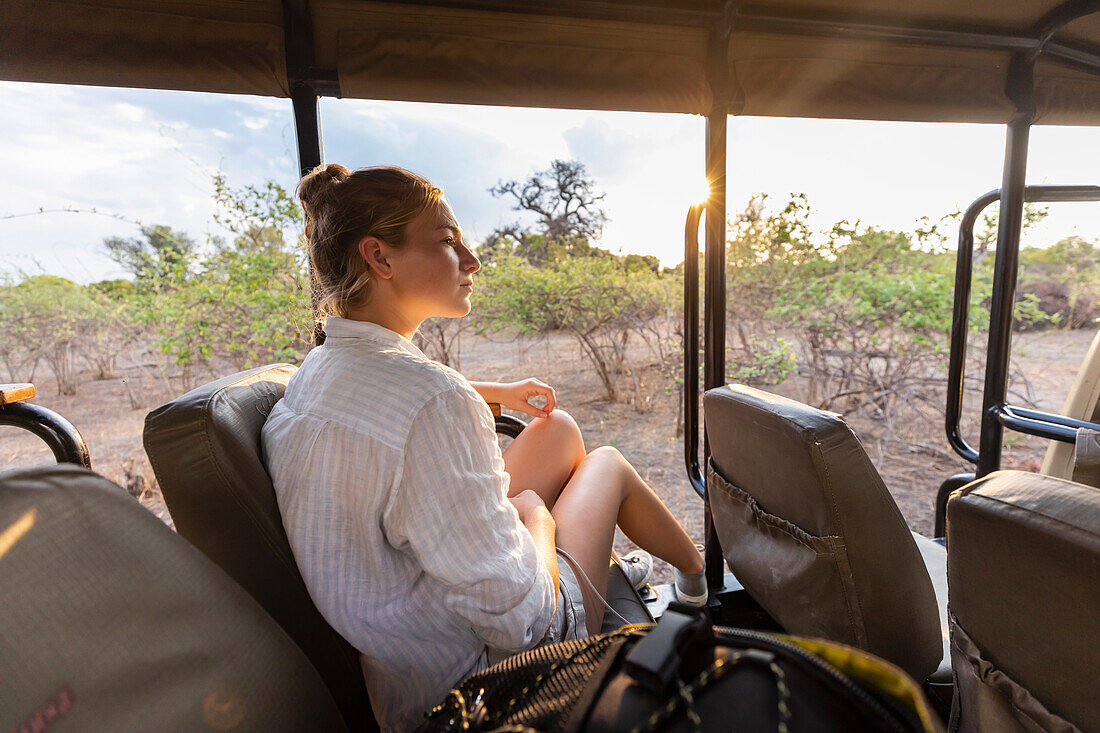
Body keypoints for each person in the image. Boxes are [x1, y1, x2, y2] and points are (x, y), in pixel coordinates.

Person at [261, 164, 706, 732]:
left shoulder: (318, 368)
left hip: (400, 652)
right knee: (608, 464)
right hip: (492, 677)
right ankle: (696, 588)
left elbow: (396, 415)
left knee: (561, 428)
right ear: (380, 257)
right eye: (448, 242)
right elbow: (529, 626)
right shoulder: (433, 401)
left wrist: (497, 393)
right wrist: (535, 519)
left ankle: (641, 571)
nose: (472, 260)